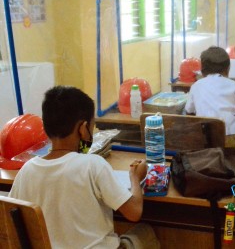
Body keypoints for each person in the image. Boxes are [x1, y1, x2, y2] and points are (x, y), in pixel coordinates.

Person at [9, 86, 159, 248]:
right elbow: (134, 212)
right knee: (145, 232)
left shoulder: (26, 171)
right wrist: (135, 178)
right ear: (82, 128)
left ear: (46, 128)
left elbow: (10, 218)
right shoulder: (93, 165)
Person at [185, 46, 235, 148]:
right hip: (232, 138)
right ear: (228, 69)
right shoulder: (233, 85)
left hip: (205, 141)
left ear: (202, 71)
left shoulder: (196, 86)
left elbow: (189, 113)